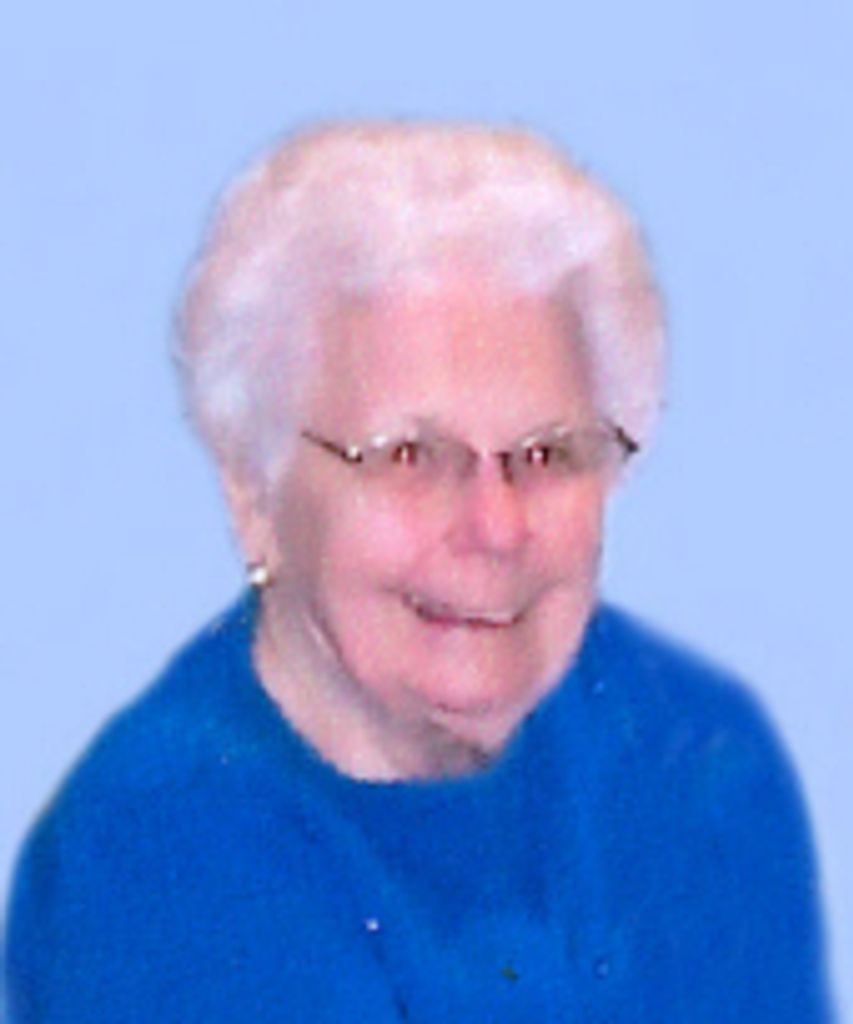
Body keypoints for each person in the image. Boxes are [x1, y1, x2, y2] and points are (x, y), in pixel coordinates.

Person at [4, 123, 833, 1021]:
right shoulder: (154, 867)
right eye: (408, 456)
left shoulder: (693, 754)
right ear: (255, 494)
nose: (494, 526)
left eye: (548, 454)